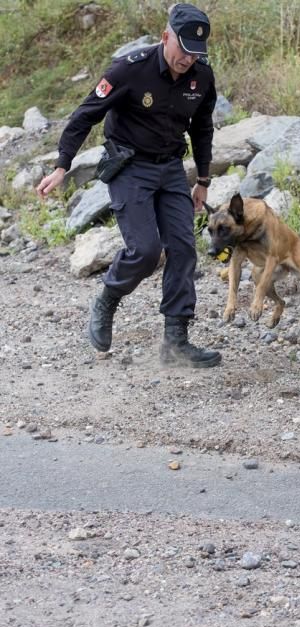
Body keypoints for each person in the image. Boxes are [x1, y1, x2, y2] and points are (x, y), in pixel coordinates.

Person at [36, 2, 221, 368]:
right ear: (166, 36)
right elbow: (84, 116)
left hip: (170, 168)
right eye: (183, 49)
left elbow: (202, 127)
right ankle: (108, 297)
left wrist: (202, 179)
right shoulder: (129, 70)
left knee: (184, 249)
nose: (188, 59)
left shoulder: (202, 77)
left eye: (196, 53)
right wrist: (62, 166)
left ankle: (176, 341)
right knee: (146, 250)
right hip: (129, 167)